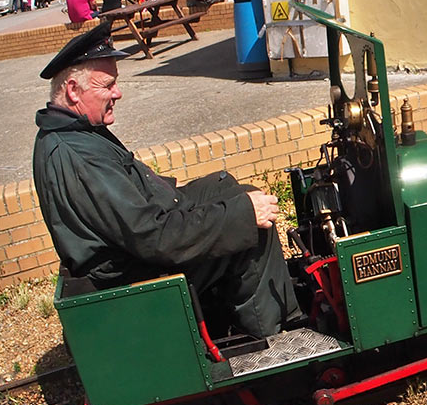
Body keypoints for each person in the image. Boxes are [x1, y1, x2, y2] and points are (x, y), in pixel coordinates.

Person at [32, 24, 302, 337]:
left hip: (139, 241)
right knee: (251, 227)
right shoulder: (78, 155)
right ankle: (275, 337)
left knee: (228, 188)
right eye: (107, 86)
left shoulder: (76, 132)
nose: (117, 92)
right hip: (136, 268)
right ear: (73, 91)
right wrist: (239, 216)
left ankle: (239, 303)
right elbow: (152, 236)